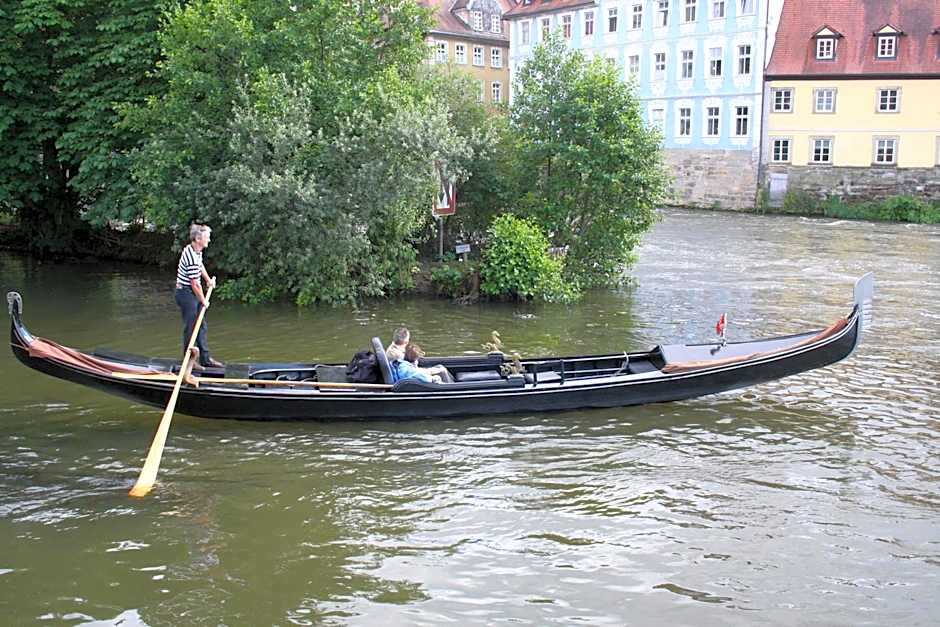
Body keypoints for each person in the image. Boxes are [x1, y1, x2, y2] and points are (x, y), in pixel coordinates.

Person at [175, 223, 223, 369]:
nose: (209, 240)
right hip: (185, 293)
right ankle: (188, 361)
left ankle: (205, 359)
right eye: (206, 237)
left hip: (191, 292)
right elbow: (195, 283)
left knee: (201, 326)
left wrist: (208, 280)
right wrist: (203, 300)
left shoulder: (197, 250)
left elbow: (200, 265)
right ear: (197, 238)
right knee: (191, 327)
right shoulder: (190, 256)